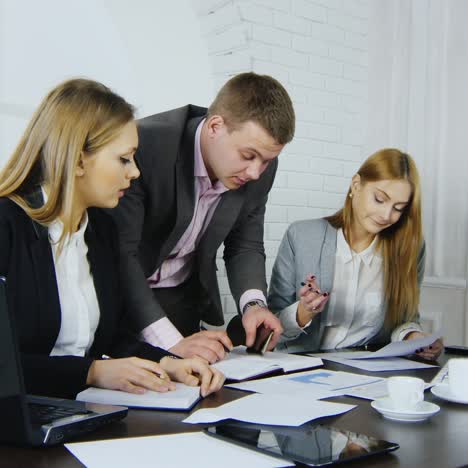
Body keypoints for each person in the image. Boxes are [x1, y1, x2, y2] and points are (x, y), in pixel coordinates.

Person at [0, 78, 224, 399]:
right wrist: (91, 372)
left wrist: (167, 362)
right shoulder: (7, 226)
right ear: (78, 159)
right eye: (124, 158)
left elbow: (110, 339)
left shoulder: (102, 231)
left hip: (78, 410)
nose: (135, 172)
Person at [110, 72, 295, 363]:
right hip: (118, 301)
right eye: (248, 155)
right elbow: (122, 254)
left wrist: (254, 304)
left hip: (181, 302)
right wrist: (169, 342)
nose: (255, 173)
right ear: (215, 126)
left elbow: (245, 244)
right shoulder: (144, 146)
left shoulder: (260, 172)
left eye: (267, 160)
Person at [268, 148, 443, 359]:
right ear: (356, 185)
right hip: (301, 370)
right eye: (379, 199)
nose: (386, 215)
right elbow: (270, 326)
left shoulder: (409, 249)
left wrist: (414, 337)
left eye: (398, 208)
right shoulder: (301, 236)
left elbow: (405, 319)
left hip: (366, 374)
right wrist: (303, 312)